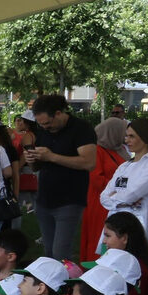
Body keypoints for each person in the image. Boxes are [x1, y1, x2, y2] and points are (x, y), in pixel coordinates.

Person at [27, 94, 97, 261]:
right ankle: (49, 286)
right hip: (44, 200)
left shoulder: (81, 128)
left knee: (61, 253)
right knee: (49, 252)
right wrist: (32, 160)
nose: (45, 127)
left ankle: (66, 286)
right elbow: (39, 165)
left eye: (48, 123)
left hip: (69, 200)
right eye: (41, 124)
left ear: (58, 113)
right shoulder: (43, 131)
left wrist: (51, 156)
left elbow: (89, 163)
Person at [98, 117, 148, 244]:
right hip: (113, 226)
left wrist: (117, 198)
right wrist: (122, 201)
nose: (126, 140)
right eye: (126, 136)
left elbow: (129, 196)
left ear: (145, 138)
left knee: (131, 260)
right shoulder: (124, 166)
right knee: (109, 259)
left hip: (136, 227)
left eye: (132, 136)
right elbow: (103, 197)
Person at [81, 117, 128, 261]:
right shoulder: (98, 150)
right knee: (100, 235)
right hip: (100, 203)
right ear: (113, 132)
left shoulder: (120, 150)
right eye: (123, 132)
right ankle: (96, 264)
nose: (125, 136)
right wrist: (118, 189)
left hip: (116, 200)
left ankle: (110, 262)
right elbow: (96, 178)